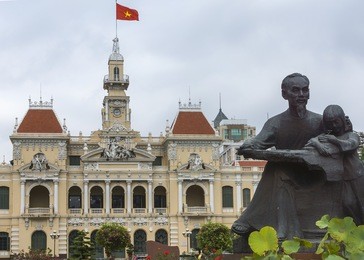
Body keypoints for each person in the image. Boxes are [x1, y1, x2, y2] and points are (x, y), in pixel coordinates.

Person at [232, 73, 324, 239]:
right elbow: (258, 142)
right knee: (278, 169)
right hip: (287, 172)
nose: (301, 95)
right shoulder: (276, 123)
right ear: (285, 94)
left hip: (315, 174)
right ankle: (281, 228)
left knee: (279, 170)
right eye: (296, 90)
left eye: (305, 90)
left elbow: (338, 138)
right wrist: (249, 145)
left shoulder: (319, 121)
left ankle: (251, 220)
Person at [305, 105, 364, 224]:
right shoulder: (328, 136)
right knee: (348, 203)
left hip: (357, 174)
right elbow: (311, 142)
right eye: (330, 123)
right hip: (344, 177)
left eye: (336, 122)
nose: (334, 126)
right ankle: (358, 228)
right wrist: (318, 145)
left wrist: (334, 141)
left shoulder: (351, 135)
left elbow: (350, 145)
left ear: (342, 120)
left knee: (361, 204)